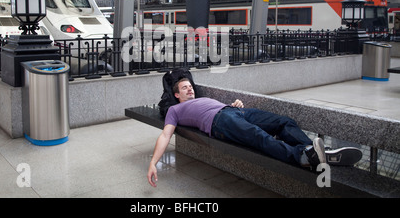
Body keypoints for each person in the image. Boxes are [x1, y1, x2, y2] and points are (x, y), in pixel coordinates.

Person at [147, 78, 362, 187]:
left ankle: (309, 150)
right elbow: (166, 135)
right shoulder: (174, 110)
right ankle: (303, 157)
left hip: (234, 112)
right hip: (219, 123)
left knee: (283, 122)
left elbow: (221, 107)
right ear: (176, 95)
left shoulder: (202, 98)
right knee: (260, 138)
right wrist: (153, 162)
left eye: (190, 86)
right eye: (184, 88)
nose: (190, 89)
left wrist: (233, 104)